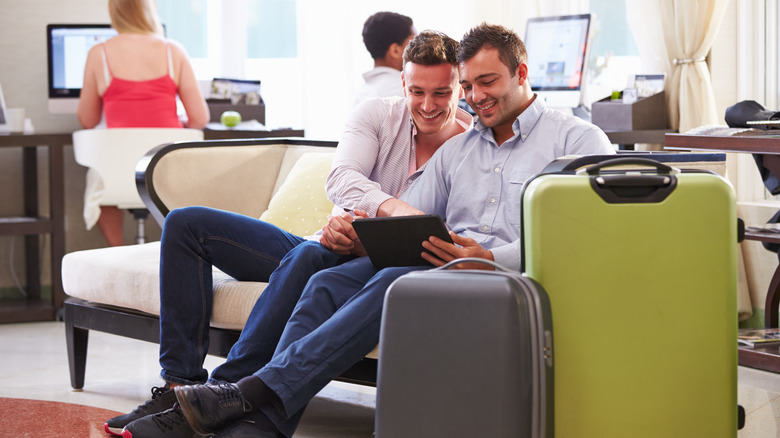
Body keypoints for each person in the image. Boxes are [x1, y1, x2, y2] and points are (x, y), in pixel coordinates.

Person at [129, 23, 615, 438]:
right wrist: (353, 231)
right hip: (437, 265)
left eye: (485, 82)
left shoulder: (577, 138)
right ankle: (256, 426)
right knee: (321, 278)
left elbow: (582, 232)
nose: (476, 96)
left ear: (522, 74)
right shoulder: (459, 152)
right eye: (469, 85)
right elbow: (411, 219)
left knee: (391, 279)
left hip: (502, 275)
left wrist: (492, 257)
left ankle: (243, 393)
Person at [107, 30, 471, 437]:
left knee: (309, 260)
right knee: (186, 224)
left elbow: (451, 232)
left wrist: (380, 232)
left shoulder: (470, 146)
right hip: (329, 242)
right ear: (402, 82)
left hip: (369, 265)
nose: (427, 105)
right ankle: (179, 385)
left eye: (442, 93)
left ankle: (222, 390)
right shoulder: (377, 115)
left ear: (461, 85)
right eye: (417, 90)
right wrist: (386, 212)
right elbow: (343, 179)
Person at [77, 0, 209, 247]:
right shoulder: (174, 51)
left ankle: (118, 250)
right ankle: (170, 250)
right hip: (165, 170)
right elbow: (199, 119)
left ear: (113, 12)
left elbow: (87, 119)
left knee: (101, 179)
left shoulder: (99, 53)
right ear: (150, 11)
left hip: (119, 170)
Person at [353, 11, 415, 106]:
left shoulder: (362, 93)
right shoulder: (403, 91)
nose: (419, 50)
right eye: (413, 44)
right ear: (395, 51)